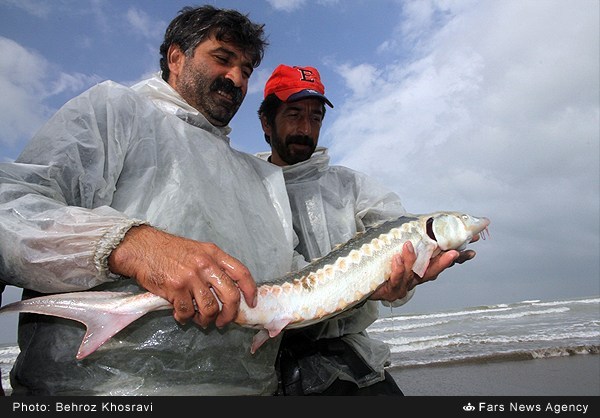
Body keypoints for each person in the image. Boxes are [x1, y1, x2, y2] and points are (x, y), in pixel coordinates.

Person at [0, 5, 301, 396]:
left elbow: (289, 277)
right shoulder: (114, 111)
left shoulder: (259, 176)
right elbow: (12, 206)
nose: (237, 79)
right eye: (223, 59)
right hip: (94, 394)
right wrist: (129, 243)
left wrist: (371, 279)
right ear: (176, 57)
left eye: (246, 71)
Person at [257, 64, 479, 395]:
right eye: (293, 114)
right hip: (267, 363)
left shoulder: (351, 186)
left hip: (348, 356)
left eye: (315, 117)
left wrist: (402, 281)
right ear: (266, 121)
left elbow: (398, 236)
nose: (306, 128)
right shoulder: (245, 187)